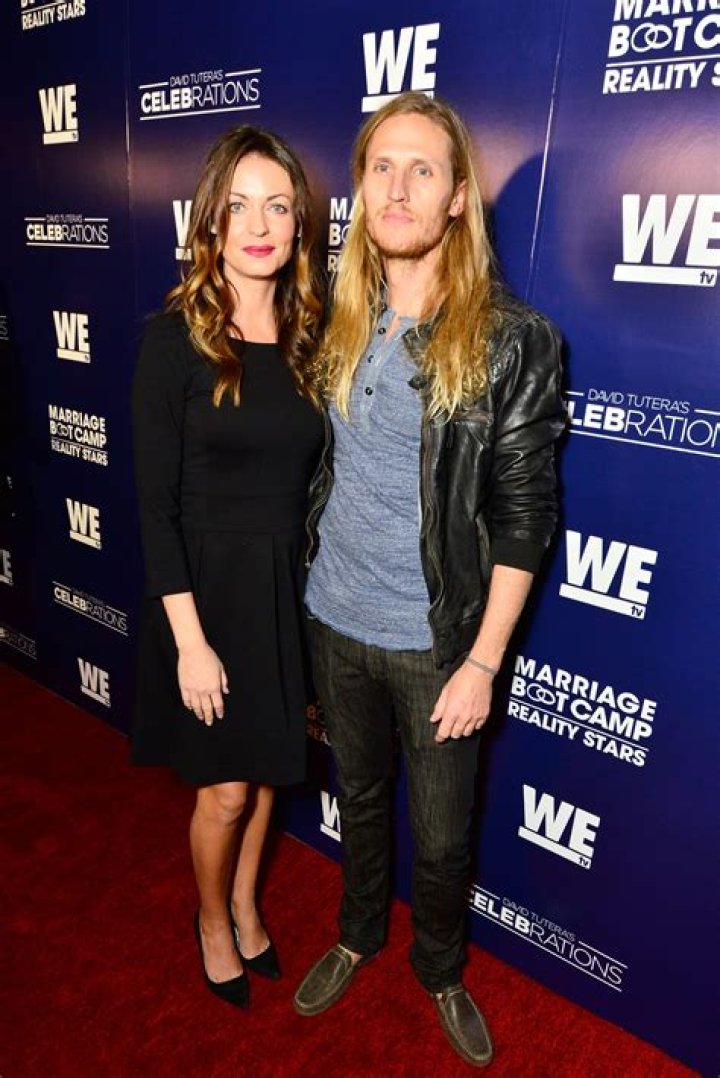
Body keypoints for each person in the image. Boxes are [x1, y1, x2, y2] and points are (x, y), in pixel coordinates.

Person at [294, 92, 565, 1066]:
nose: (398, 187)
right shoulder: (335, 317)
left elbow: (526, 517)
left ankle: (440, 968)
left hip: (437, 645)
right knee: (359, 799)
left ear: (457, 197)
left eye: (423, 169)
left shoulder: (512, 339)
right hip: (332, 617)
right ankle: (357, 932)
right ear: (361, 190)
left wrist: (482, 662)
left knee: (445, 838)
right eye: (381, 167)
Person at [131, 126, 325, 1008]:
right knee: (226, 793)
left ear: (298, 224)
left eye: (277, 206)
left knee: (272, 771)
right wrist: (190, 643)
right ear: (210, 221)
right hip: (205, 596)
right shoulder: (172, 340)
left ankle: (248, 904)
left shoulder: (311, 336)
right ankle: (211, 919)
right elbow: (155, 506)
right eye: (239, 206)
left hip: (287, 588)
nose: (258, 225)